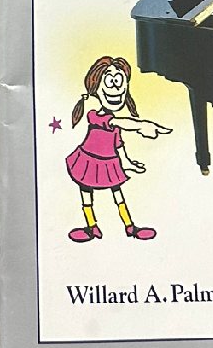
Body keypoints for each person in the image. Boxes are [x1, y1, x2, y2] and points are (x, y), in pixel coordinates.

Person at [65, 55, 171, 241]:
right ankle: (92, 227)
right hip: (88, 160)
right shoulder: (94, 116)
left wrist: (127, 162)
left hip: (109, 162)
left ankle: (130, 227)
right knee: (87, 194)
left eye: (120, 80)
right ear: (96, 88)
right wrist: (141, 125)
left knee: (118, 195)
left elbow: (118, 143)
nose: (115, 87)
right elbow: (116, 122)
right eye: (109, 80)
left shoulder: (113, 124)